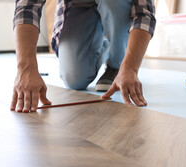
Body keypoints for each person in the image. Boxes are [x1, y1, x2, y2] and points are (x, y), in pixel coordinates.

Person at [11, 0, 156, 113]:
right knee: (75, 79)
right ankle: (105, 40)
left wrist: (130, 68)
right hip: (79, 4)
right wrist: (26, 68)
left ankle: (117, 64)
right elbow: (27, 7)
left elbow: (144, 14)